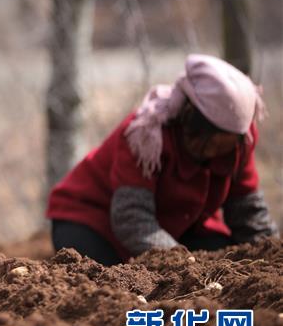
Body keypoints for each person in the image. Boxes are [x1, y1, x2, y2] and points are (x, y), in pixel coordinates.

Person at [47, 54, 279, 266]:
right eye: (206, 143)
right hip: (95, 219)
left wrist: (272, 255)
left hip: (177, 224)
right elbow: (132, 218)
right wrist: (182, 262)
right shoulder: (146, 135)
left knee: (228, 259)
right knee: (104, 272)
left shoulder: (241, 140)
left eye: (222, 148)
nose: (212, 154)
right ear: (188, 118)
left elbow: (247, 209)